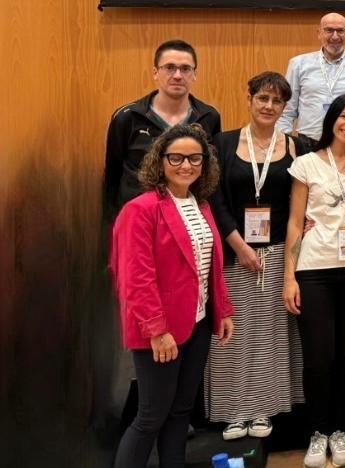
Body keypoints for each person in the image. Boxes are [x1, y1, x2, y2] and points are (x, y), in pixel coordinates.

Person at [110, 125, 235, 468]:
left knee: (180, 412)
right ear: (160, 161)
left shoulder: (201, 205)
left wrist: (222, 310)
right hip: (160, 332)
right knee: (151, 416)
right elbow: (135, 278)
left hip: (196, 324)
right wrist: (156, 329)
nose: (186, 165)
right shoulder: (141, 209)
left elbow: (211, 266)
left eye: (195, 158)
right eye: (176, 157)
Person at [283, 94, 345, 468]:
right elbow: (294, 221)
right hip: (315, 270)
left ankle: (340, 431)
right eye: (344, 116)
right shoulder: (306, 163)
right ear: (332, 120)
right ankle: (317, 432)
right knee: (318, 357)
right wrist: (289, 278)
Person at [207, 72, 304, 440]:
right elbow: (213, 199)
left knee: (271, 333)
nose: (269, 106)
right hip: (234, 253)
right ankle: (234, 411)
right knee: (232, 332)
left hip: (279, 254)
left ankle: (264, 408)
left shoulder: (297, 147)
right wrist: (239, 245)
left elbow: (303, 200)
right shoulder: (223, 143)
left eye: (277, 101)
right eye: (262, 98)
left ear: (284, 107)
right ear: (249, 98)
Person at [104, 40, 222, 222]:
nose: (177, 75)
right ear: (155, 73)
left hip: (190, 221)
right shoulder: (127, 117)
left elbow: (210, 175)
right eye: (169, 67)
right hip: (139, 220)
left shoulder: (209, 117)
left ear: (195, 74)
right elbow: (113, 177)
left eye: (185, 69)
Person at [279, 13, 345, 146]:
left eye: (340, 31)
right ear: (319, 33)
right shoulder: (298, 64)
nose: (335, 36)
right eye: (329, 30)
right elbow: (287, 110)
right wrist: (284, 144)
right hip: (308, 142)